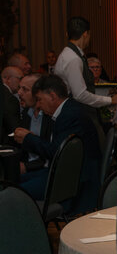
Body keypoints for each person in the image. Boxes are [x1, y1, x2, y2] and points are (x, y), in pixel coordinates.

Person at [12, 74, 101, 209]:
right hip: (64, 173)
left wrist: (28, 139)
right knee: (12, 182)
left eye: (40, 100)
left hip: (72, 181)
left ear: (52, 96)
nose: (39, 105)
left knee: (14, 193)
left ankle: (27, 227)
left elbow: (57, 152)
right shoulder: (68, 110)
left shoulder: (69, 115)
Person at [55, 16, 117, 111]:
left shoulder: (69, 54)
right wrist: (110, 100)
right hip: (73, 111)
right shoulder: (73, 58)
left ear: (67, 34)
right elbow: (80, 95)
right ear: (85, 34)